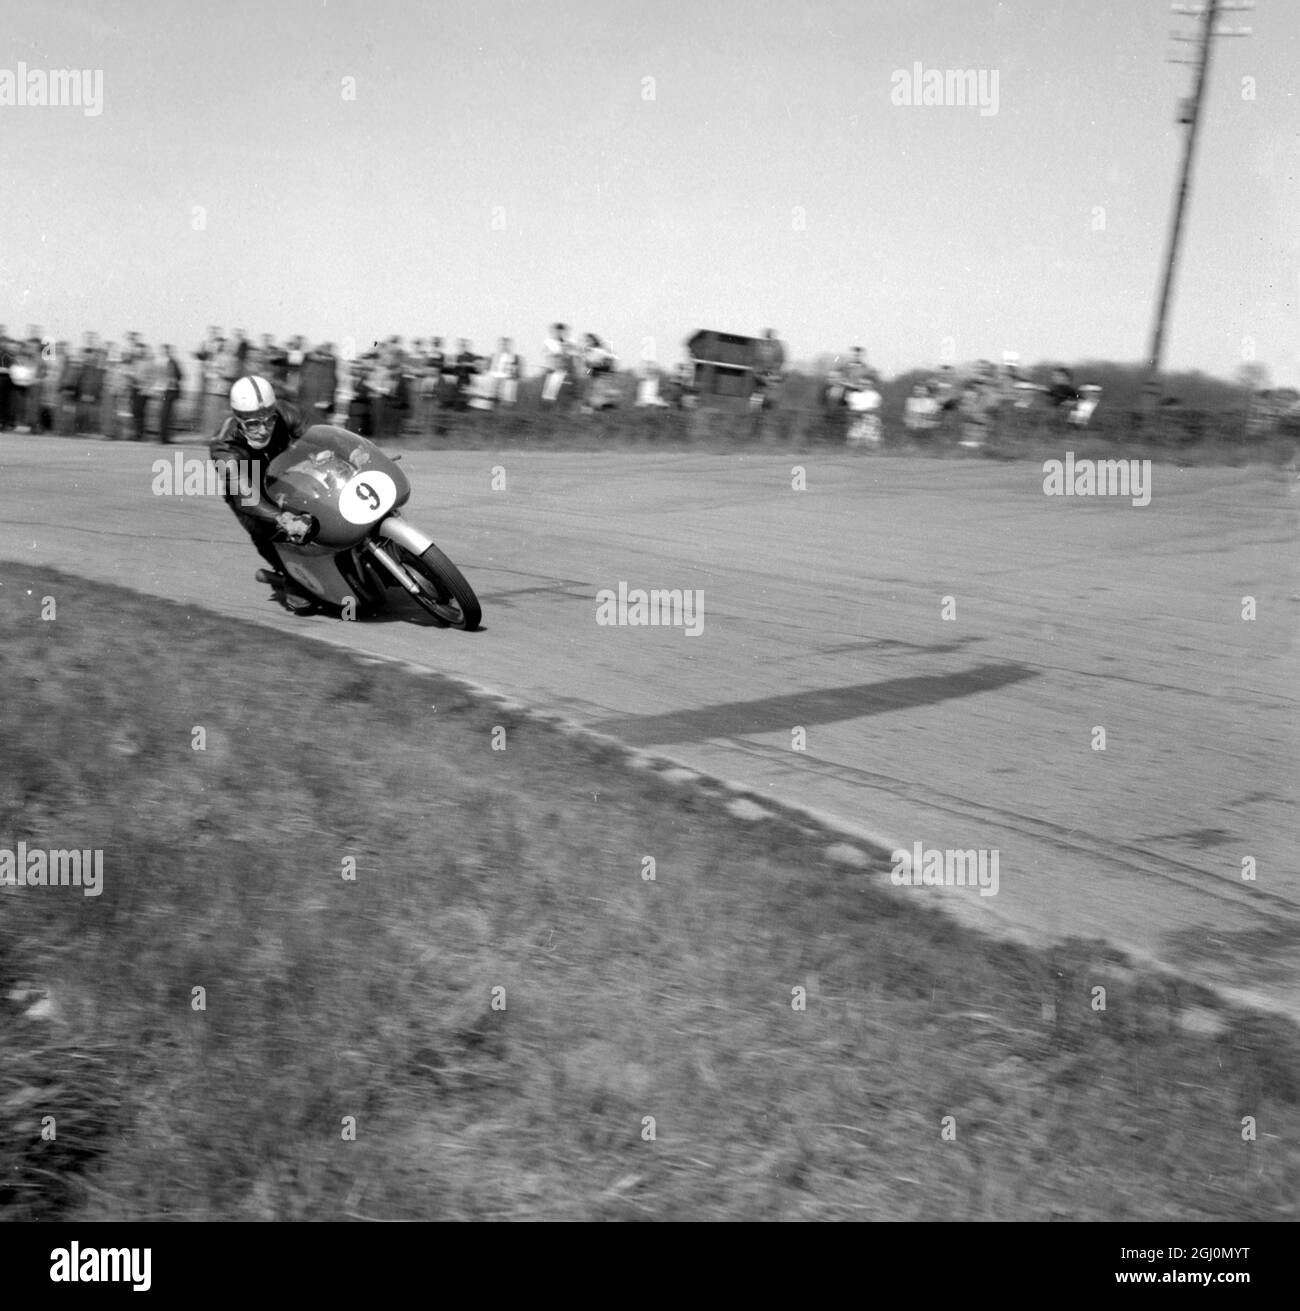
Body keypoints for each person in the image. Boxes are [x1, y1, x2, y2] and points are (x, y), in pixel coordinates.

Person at [208, 376, 316, 610]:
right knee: (267, 530)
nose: (263, 430)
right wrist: (281, 518)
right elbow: (245, 494)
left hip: (286, 475)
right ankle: (292, 579)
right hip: (249, 489)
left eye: (268, 421)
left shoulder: (286, 413)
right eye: (253, 424)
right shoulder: (223, 445)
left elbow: (318, 437)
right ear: (238, 420)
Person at [751, 328, 786, 410]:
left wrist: (773, 371)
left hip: (771, 374)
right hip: (760, 375)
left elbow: (781, 360)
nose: (768, 338)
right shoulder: (759, 345)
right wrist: (757, 373)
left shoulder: (778, 346)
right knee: (757, 396)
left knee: (771, 396)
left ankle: (769, 409)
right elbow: (755, 359)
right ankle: (754, 411)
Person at [489, 337, 521, 407]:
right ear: (499, 345)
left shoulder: (515, 358)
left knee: (505, 407)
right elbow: (490, 372)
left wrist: (509, 376)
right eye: (502, 344)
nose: (504, 346)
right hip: (495, 386)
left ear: (510, 345)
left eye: (506, 344)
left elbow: (517, 374)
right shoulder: (494, 357)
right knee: (493, 406)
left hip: (507, 386)